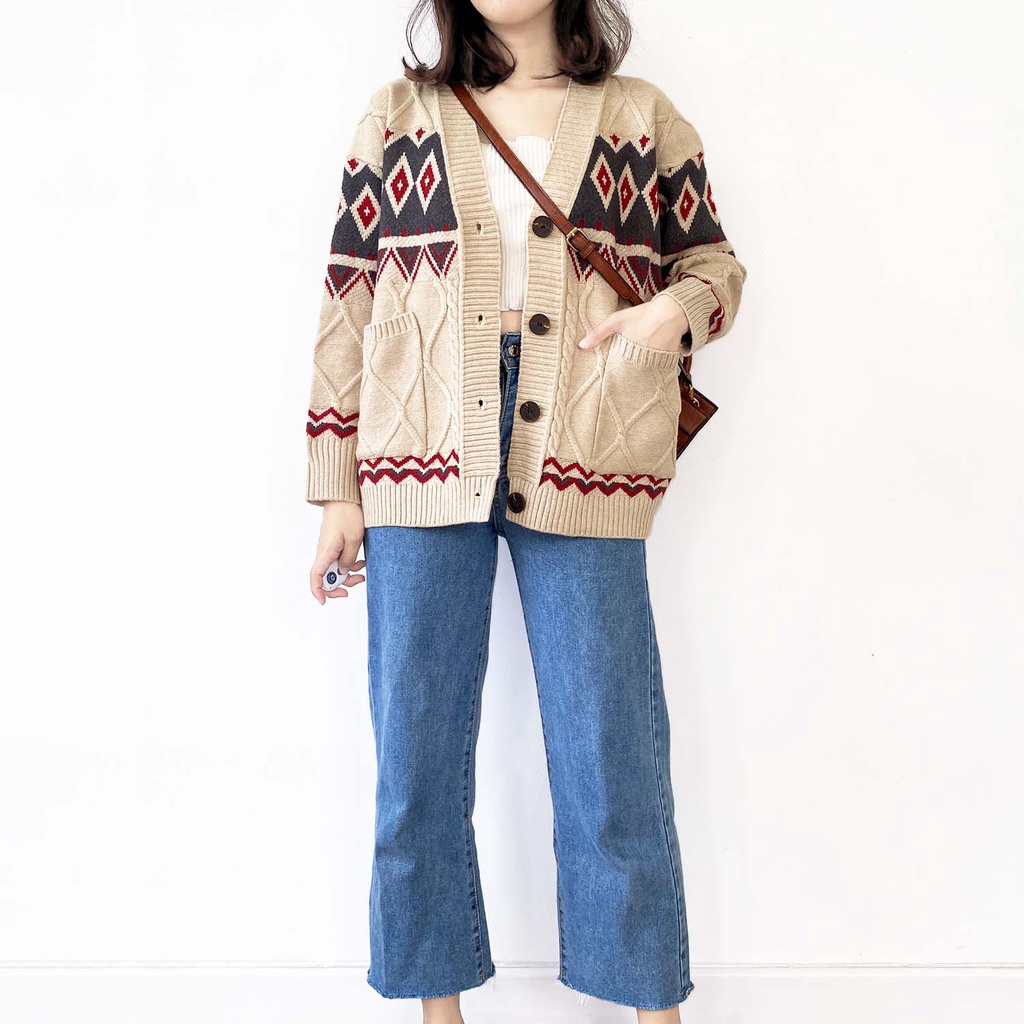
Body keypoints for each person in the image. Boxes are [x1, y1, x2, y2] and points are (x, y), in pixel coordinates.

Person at [303, 1, 747, 1020]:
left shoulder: (640, 115)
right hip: (416, 444)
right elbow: (347, 299)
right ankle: (438, 1010)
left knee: (610, 751)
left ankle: (653, 1006)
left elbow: (716, 268)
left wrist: (671, 312)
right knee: (415, 753)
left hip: (588, 444)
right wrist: (335, 484)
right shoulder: (396, 114)